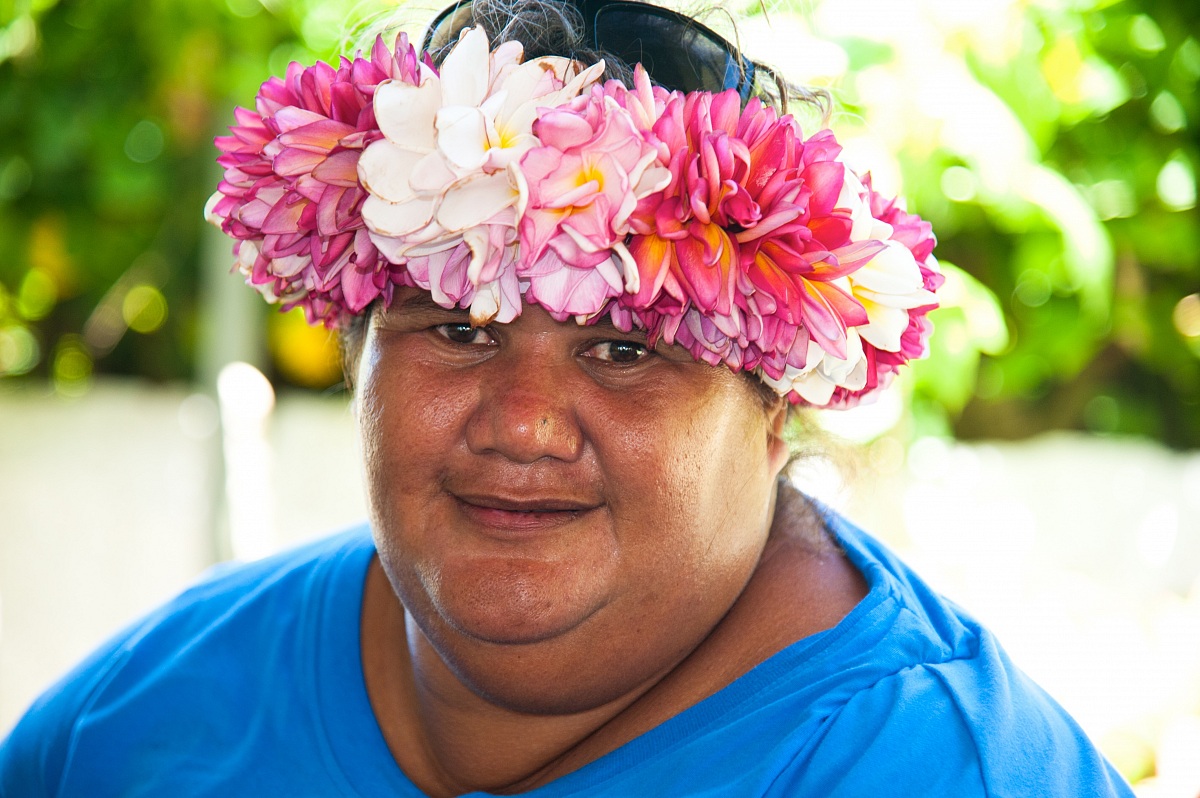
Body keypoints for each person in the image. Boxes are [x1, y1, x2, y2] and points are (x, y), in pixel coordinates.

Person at [0, 1, 1135, 795]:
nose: (524, 421)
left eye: (628, 350)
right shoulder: (138, 723)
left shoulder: (938, 772)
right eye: (458, 329)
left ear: (777, 406)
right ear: (359, 364)